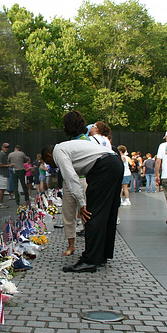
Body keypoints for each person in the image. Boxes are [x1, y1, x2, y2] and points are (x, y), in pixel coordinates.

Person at [42, 140, 122, 272]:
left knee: (92, 214)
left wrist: (82, 204)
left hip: (103, 167)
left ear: (49, 156)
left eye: (49, 162)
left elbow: (71, 178)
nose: (52, 166)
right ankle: (102, 254)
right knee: (108, 213)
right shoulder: (66, 147)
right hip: (115, 163)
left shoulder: (58, 153)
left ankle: (90, 260)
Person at [60, 110, 90, 256]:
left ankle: (84, 246)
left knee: (84, 212)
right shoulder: (74, 141)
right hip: (72, 180)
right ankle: (72, 245)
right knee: (69, 212)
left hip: (82, 179)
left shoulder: (85, 141)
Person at [0, 143, 10, 208]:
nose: (7, 148)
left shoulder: (4, 154)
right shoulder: (1, 154)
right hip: (2, 174)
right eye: (5, 147)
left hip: (3, 173)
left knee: (3, 189)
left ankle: (1, 202)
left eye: (7, 147)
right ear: (2, 147)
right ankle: (0, 203)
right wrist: (8, 165)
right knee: (1, 188)